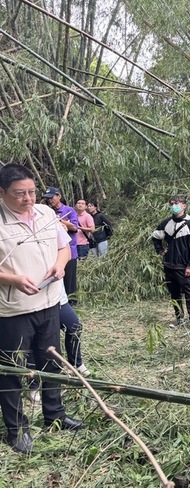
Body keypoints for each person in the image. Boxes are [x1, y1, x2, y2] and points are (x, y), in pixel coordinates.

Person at [0, 163, 83, 454]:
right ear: (2, 193)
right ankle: (17, 429)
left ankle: (55, 416)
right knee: (12, 369)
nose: (28, 199)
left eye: (32, 192)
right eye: (19, 194)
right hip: (13, 309)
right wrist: (12, 279)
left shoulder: (48, 215)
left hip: (49, 303)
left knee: (51, 363)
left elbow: (64, 247)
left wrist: (60, 266)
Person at [152, 194, 190, 329]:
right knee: (174, 293)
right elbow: (155, 237)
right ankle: (179, 318)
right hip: (169, 265)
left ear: (184, 206)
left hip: (184, 266)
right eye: (172, 203)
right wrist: (161, 251)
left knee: (189, 294)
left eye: (177, 203)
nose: (174, 205)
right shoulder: (166, 223)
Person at [43, 187, 79, 304]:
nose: (50, 201)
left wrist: (60, 221)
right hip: (54, 251)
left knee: (70, 277)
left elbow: (74, 227)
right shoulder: (47, 212)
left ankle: (72, 301)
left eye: (52, 198)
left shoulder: (69, 210)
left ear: (59, 196)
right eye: (47, 199)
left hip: (69, 250)